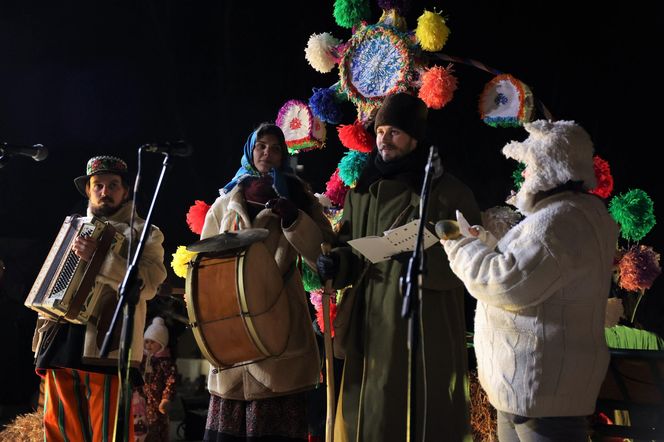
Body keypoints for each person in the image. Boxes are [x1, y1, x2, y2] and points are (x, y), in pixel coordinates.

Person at [316, 92, 480, 441]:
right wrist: (336, 264)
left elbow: (472, 259)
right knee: (368, 416)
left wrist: (424, 260)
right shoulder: (362, 191)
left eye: (394, 132)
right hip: (370, 324)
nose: (384, 138)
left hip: (424, 326)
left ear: (415, 138)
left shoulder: (448, 193)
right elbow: (353, 250)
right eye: (380, 131)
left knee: (419, 414)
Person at [441, 120, 619, 441]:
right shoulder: (571, 214)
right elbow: (530, 272)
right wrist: (482, 242)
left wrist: (459, 244)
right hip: (531, 391)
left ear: (548, 168)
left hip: (540, 392)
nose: (523, 175)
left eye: (529, 166)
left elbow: (505, 283)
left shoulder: (558, 222)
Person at [200, 122, 335, 441]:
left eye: (276, 147)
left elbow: (324, 251)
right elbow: (200, 263)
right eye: (261, 145)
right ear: (250, 150)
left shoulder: (299, 196)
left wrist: (293, 218)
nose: (267, 152)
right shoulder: (224, 203)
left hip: (280, 324)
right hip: (232, 331)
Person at [31, 155, 168, 441]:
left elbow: (150, 284)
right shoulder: (74, 227)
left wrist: (101, 257)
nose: (105, 191)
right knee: (59, 432)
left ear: (125, 191)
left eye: (113, 185)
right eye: (98, 185)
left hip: (106, 345)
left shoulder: (145, 233)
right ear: (88, 190)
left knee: (108, 433)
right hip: (60, 341)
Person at [140, 316, 176, 442]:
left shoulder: (165, 362)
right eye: (147, 341)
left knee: (157, 427)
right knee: (142, 427)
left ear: (161, 344)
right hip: (142, 401)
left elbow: (171, 380)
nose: (149, 345)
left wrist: (166, 398)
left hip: (157, 401)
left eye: (153, 342)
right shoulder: (142, 360)